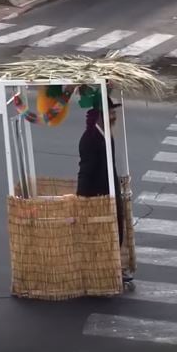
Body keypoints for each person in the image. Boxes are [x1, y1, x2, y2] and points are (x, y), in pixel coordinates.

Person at [76, 96, 131, 281]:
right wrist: (80, 200)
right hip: (99, 196)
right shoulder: (90, 139)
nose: (114, 115)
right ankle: (108, 273)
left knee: (117, 232)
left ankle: (114, 270)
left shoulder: (105, 134)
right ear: (100, 115)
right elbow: (85, 172)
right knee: (105, 235)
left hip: (111, 191)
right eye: (111, 112)